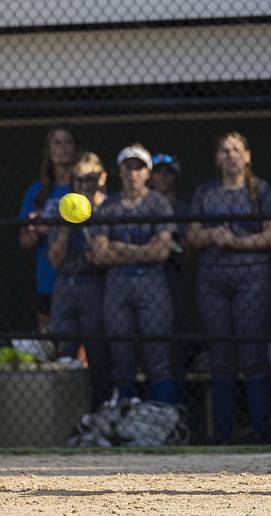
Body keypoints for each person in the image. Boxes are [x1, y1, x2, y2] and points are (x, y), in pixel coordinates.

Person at [186, 132, 271, 444]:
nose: (230, 156)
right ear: (217, 158)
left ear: (247, 155)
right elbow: (191, 236)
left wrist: (237, 242)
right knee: (220, 355)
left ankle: (260, 431)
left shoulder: (261, 191)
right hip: (212, 279)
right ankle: (223, 433)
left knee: (253, 352)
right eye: (224, 151)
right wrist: (214, 235)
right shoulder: (205, 192)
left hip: (251, 277)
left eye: (236, 150)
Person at [90, 144, 180, 404]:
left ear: (148, 173)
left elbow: (161, 252)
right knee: (121, 355)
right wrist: (142, 249)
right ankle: (126, 416)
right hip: (117, 284)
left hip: (152, 282)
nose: (133, 173)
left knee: (157, 354)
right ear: (120, 171)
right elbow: (100, 254)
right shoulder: (108, 207)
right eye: (128, 167)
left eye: (139, 167)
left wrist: (120, 247)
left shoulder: (159, 204)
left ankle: (162, 417)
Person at [47, 152, 111, 408]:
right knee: (64, 354)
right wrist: (65, 225)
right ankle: (66, 418)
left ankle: (101, 409)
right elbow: (54, 259)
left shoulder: (109, 208)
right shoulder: (66, 207)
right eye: (78, 180)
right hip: (65, 284)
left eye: (90, 178)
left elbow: (99, 257)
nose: (84, 185)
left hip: (94, 284)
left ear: (102, 178)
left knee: (97, 353)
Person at [19, 126, 80, 332]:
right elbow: (24, 241)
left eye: (67, 142)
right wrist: (36, 229)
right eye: (57, 142)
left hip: (80, 277)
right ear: (49, 150)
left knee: (80, 348)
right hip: (47, 278)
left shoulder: (83, 189)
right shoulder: (36, 192)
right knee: (49, 343)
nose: (62, 148)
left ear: (75, 149)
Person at [150, 153, 195, 374]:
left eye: (169, 173)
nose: (163, 178)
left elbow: (187, 254)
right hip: (147, 276)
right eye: (158, 172)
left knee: (175, 342)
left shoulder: (184, 209)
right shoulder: (140, 206)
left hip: (173, 278)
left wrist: (172, 244)